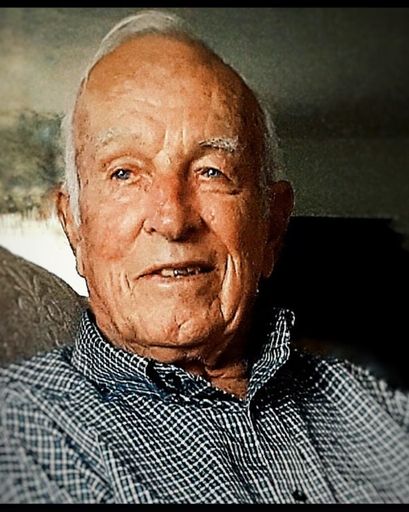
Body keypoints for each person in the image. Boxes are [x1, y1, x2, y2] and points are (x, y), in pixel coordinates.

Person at [1, 10, 408, 504]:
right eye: (124, 173)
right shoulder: (21, 429)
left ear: (272, 225)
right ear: (75, 228)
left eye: (212, 171)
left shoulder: (373, 405)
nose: (173, 220)